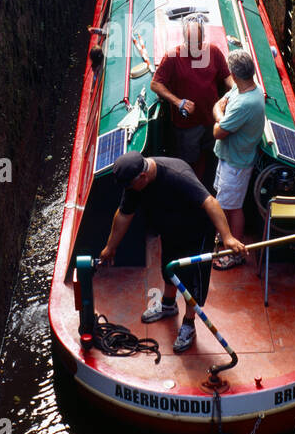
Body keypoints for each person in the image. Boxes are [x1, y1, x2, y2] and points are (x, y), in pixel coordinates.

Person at [98, 151, 246, 353]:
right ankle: (168, 305)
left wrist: (227, 237)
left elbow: (211, 202)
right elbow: (124, 214)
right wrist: (110, 247)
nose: (129, 191)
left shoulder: (176, 174)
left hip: (196, 231)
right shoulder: (134, 183)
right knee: (168, 266)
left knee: (192, 280)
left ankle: (188, 323)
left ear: (142, 177)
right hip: (170, 228)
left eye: (130, 186)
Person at [150, 15, 232, 178]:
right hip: (187, 125)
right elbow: (155, 84)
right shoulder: (172, 56)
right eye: (190, 43)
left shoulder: (214, 52)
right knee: (189, 160)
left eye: (198, 43)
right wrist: (178, 102)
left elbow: (227, 77)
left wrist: (238, 89)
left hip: (212, 119)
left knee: (213, 152)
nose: (195, 48)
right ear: (184, 39)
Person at [211, 50, 266, 269]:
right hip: (229, 159)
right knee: (227, 204)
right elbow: (219, 105)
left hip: (235, 164)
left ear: (234, 74)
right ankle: (224, 240)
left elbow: (217, 130)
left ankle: (234, 253)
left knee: (232, 207)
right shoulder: (243, 88)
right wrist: (221, 116)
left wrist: (220, 117)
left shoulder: (245, 103)